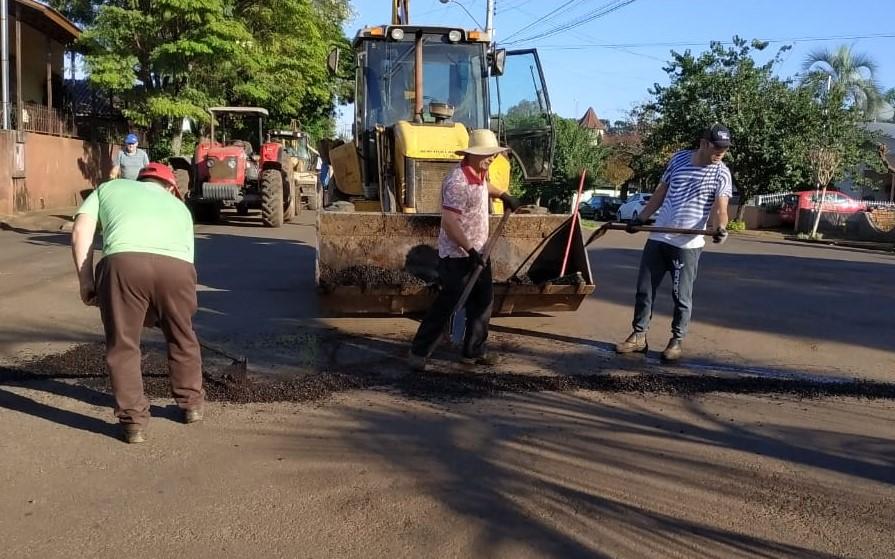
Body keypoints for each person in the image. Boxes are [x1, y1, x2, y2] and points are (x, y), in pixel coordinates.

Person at [71, 163, 203, 444]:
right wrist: (164, 313)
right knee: (182, 337)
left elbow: (80, 230)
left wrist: (87, 282)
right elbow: (185, 263)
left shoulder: (109, 188)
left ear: (140, 179)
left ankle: (133, 423)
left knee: (124, 344)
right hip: (178, 271)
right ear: (170, 187)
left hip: (122, 263)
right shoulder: (181, 208)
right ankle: (191, 404)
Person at [616, 124, 733, 362]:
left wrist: (721, 228)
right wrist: (640, 218)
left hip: (688, 244)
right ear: (703, 143)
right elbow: (660, 193)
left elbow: (722, 209)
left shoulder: (721, 173)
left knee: (681, 296)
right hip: (659, 236)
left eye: (725, 148)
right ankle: (639, 336)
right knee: (644, 291)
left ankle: (676, 340)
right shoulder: (679, 158)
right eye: (716, 147)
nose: (721, 152)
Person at [408, 129, 521, 371]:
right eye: (487, 155)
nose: (492, 158)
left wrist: (503, 195)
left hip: (481, 252)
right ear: (471, 155)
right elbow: (450, 223)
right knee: (447, 305)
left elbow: (482, 188)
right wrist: (471, 251)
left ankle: (473, 352)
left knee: (483, 303)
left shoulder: (478, 175)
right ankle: (419, 352)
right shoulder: (457, 182)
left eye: (494, 154)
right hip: (459, 257)